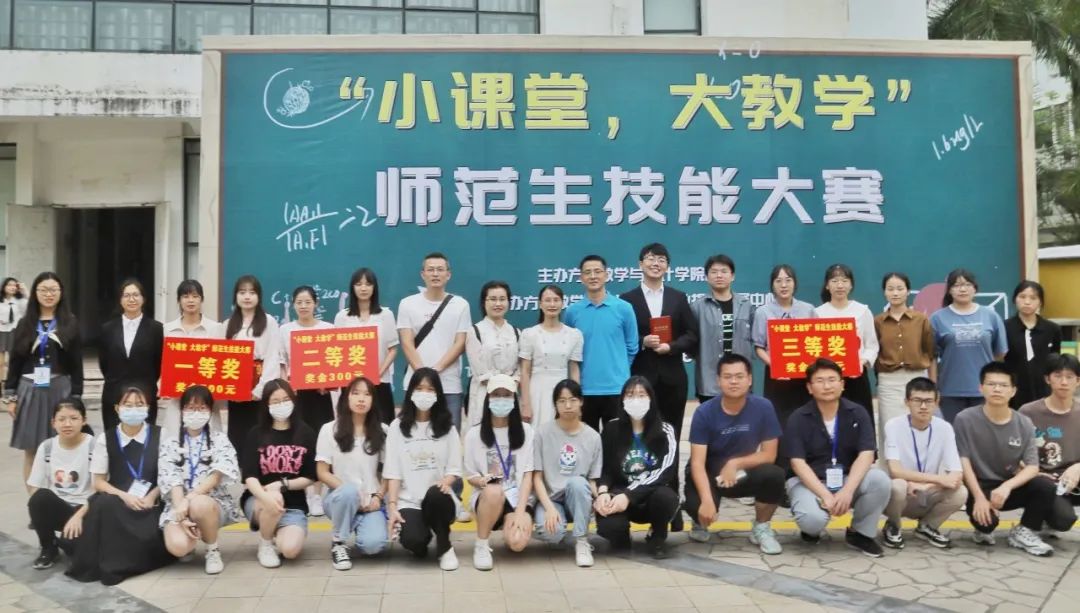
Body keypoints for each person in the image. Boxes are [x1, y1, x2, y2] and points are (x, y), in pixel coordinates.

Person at [955, 362, 1065, 556]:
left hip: (1008, 486)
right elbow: (963, 461)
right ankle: (981, 528)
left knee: (1044, 486)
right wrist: (979, 497)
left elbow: (1032, 466)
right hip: (980, 487)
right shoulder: (965, 419)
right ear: (981, 388)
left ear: (1013, 391)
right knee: (987, 525)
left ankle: (1025, 530)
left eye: (1003, 385)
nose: (997, 389)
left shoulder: (1024, 423)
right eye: (991, 384)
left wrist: (1006, 487)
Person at [67, 386, 173, 585]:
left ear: (148, 408)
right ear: (117, 408)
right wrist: (124, 496)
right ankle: (110, 566)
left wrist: (151, 496)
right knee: (104, 504)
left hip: (151, 504)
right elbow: (98, 482)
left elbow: (170, 475)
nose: (134, 409)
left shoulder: (161, 435)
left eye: (139, 405)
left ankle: (125, 563)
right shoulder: (106, 439)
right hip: (119, 502)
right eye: (128, 405)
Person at [785, 358, 890, 558]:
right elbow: (797, 463)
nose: (827, 386)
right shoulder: (798, 418)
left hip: (846, 478)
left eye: (832, 380)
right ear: (809, 387)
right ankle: (810, 531)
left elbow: (866, 453)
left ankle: (860, 533)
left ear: (842, 384)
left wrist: (847, 490)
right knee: (812, 520)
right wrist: (825, 494)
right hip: (809, 482)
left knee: (880, 480)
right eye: (820, 381)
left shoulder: (857, 412)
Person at [684, 354, 785, 554]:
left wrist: (735, 464)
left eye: (739, 376)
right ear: (718, 380)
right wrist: (706, 501)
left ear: (750, 379)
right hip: (709, 471)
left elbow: (769, 455)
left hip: (742, 472)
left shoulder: (764, 407)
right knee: (698, 506)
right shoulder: (704, 412)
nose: (733, 382)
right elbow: (697, 463)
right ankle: (698, 521)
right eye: (727, 376)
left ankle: (761, 526)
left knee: (774, 474)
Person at [4, 272, 83, 491]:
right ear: (35, 293)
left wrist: (77, 395)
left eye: (53, 290)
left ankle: (60, 499)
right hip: (29, 390)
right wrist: (10, 396)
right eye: (44, 290)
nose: (49, 294)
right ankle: (35, 501)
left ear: (61, 293)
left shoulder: (70, 323)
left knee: (61, 447)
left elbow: (76, 363)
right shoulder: (25, 324)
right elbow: (15, 362)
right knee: (32, 450)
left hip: (60, 390)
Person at [385, 368, 463, 571]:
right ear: (410, 391)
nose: (424, 394)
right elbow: (393, 471)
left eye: (430, 389)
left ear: (438, 394)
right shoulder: (397, 427)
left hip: (439, 499)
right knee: (414, 541)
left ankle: (445, 546)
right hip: (409, 501)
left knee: (435, 494)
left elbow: (454, 469)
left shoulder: (448, 428)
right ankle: (424, 534)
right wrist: (392, 506)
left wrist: (446, 481)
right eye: (419, 388)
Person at [158, 385, 242, 574]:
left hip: (211, 503)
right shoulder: (170, 443)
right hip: (179, 504)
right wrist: (181, 510)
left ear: (210, 411)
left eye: (202, 408)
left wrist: (189, 500)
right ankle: (190, 540)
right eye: (191, 408)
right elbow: (172, 480)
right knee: (178, 547)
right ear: (182, 411)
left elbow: (216, 476)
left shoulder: (220, 440)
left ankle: (212, 550)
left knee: (200, 504)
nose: (196, 413)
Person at [595, 376, 679, 559]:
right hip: (619, 495)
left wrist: (629, 495)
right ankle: (622, 537)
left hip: (651, 495)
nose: (636, 400)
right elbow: (605, 468)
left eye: (642, 395)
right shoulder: (612, 428)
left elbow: (664, 472)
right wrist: (602, 492)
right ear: (622, 399)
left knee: (665, 498)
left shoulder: (665, 431)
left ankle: (657, 536)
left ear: (651, 399)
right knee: (610, 527)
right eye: (630, 395)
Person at [880, 377, 966, 549]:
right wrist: (939, 479)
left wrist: (926, 486)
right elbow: (895, 471)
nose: (923, 406)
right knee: (897, 485)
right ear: (907, 402)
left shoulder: (945, 428)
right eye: (917, 400)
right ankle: (893, 525)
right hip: (903, 494)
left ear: (937, 402)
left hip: (927, 491)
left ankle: (928, 526)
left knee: (960, 492)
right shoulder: (894, 425)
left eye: (929, 401)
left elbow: (956, 472)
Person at [241, 379, 317, 568]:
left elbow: (311, 476)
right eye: (275, 401)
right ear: (266, 404)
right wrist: (265, 496)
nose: (281, 405)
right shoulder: (256, 433)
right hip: (259, 501)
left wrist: (283, 484)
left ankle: (275, 531)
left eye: (285, 399)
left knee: (290, 551)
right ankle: (265, 544)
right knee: (274, 499)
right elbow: (249, 476)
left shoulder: (306, 433)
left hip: (294, 505)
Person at [317, 376, 389, 571]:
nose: (361, 399)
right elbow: (322, 472)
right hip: (339, 497)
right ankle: (338, 542)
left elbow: (389, 472)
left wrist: (378, 497)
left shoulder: (382, 430)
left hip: (371, 500)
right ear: (346, 397)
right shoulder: (329, 429)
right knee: (348, 493)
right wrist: (355, 495)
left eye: (367, 394)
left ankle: (356, 524)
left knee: (374, 546)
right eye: (355, 393)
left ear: (373, 400)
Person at [463, 374, 535, 570]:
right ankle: (482, 544)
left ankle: (508, 523)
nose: (501, 399)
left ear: (514, 399)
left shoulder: (527, 431)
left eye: (507, 395)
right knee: (494, 491)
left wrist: (520, 512)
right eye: (496, 395)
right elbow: (470, 476)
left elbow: (528, 475)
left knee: (517, 543)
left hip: (518, 498)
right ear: (488, 399)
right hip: (488, 497)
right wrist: (481, 481)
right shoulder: (474, 435)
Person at [397, 253, 471, 430]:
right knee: (412, 435)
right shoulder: (407, 304)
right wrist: (422, 375)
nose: (435, 274)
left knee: (450, 436)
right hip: (415, 384)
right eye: (430, 270)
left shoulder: (461, 305)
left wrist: (435, 371)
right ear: (423, 274)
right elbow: (406, 342)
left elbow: (460, 343)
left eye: (440, 269)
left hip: (449, 386)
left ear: (448, 274)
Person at [533, 379, 602, 567]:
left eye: (572, 400)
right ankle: (558, 527)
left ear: (581, 401)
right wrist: (549, 508)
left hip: (577, 495)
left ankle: (582, 541)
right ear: (555, 404)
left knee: (577, 483)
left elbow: (592, 480)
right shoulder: (542, 433)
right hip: (551, 498)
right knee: (552, 534)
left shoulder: (593, 437)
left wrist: (598, 500)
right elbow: (537, 477)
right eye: (562, 401)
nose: (568, 406)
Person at [564, 255, 638, 432]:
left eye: (597, 271)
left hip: (616, 388)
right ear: (581, 278)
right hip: (584, 390)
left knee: (617, 441)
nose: (593, 276)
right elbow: (568, 350)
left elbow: (632, 347)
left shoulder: (624, 308)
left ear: (606, 275)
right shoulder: (572, 312)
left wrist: (618, 368)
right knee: (585, 441)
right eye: (587, 272)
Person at [279, 286, 335, 515]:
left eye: (307, 302)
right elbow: (282, 363)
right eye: (299, 302)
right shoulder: (286, 330)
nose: (303, 306)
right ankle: (303, 492)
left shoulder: (328, 329)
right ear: (293, 305)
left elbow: (334, 362)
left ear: (316, 304)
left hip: (321, 395)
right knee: (298, 441)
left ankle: (317, 495)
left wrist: (327, 382)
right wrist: (287, 388)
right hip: (296, 395)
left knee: (321, 442)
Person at [930, 269, 1007, 422]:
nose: (963, 289)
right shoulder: (937, 318)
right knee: (954, 432)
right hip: (950, 391)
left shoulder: (990, 316)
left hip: (984, 390)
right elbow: (931, 356)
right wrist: (933, 387)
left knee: (983, 432)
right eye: (957, 285)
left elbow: (1000, 353)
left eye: (967, 284)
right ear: (949, 290)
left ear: (975, 288)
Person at [27, 398, 93, 569]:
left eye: (74, 418)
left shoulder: (94, 446)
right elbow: (34, 485)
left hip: (86, 509)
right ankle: (48, 547)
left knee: (75, 550)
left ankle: (67, 540)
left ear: (84, 420)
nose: (67, 424)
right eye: (61, 419)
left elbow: (100, 488)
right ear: (53, 423)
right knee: (39, 497)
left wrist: (78, 516)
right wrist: (39, 512)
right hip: (59, 507)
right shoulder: (47, 447)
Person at [1018, 353, 1080, 536]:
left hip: (1074, 476)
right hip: (1042, 479)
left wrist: (1078, 467)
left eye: (1069, 377)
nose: (1064, 382)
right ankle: (1044, 512)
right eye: (1058, 376)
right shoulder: (1028, 412)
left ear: (1078, 381)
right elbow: (1013, 452)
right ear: (1047, 379)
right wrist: (1032, 473)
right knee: (1062, 520)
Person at [874, 272, 935, 455]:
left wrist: (933, 385)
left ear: (908, 291)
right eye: (890, 289)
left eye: (900, 288)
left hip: (917, 378)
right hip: (889, 380)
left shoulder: (921, 319)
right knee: (890, 427)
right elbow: (874, 351)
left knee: (919, 423)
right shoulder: (878, 321)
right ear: (884, 292)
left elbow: (930, 353)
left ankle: (919, 466)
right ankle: (891, 468)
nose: (895, 293)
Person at [225, 275, 282, 470]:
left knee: (260, 431)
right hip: (235, 387)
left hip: (259, 386)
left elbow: (273, 356)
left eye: (252, 292)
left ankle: (260, 474)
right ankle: (241, 474)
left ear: (259, 296)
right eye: (242, 292)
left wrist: (260, 389)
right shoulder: (228, 324)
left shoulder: (269, 322)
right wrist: (231, 389)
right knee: (237, 432)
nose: (247, 297)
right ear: (236, 296)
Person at [752, 264, 817, 427]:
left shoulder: (808, 310)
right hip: (775, 375)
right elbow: (758, 347)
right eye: (778, 281)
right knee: (778, 420)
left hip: (803, 375)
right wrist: (776, 366)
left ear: (795, 283)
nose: (783, 285)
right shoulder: (763, 312)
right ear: (772, 285)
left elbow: (817, 342)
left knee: (805, 420)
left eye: (788, 280)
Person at [816, 264, 878, 429]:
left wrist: (862, 361)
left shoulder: (862, 311)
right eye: (834, 281)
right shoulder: (817, 313)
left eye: (844, 281)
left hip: (856, 376)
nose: (840, 285)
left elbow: (872, 345)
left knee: (859, 422)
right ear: (827, 285)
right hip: (828, 379)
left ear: (851, 285)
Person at [334, 267, 399, 424]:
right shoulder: (342, 317)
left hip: (379, 381)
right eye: (359, 284)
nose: (363, 288)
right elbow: (337, 350)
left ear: (374, 287)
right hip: (350, 384)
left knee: (382, 426)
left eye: (368, 284)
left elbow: (393, 349)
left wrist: (378, 373)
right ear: (352, 288)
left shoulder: (385, 315)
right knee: (350, 427)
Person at [98, 279, 164, 432]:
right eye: (126, 295)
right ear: (120, 300)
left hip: (145, 395)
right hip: (113, 395)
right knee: (114, 439)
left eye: (136, 295)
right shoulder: (107, 329)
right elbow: (104, 363)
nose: (131, 299)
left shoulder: (156, 329)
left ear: (143, 299)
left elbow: (158, 363)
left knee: (145, 439)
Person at [162, 280, 224, 436]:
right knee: (175, 441)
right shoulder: (167, 330)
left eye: (195, 296)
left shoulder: (216, 329)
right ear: (179, 300)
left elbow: (222, 363)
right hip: (177, 400)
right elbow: (161, 363)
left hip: (206, 400)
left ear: (201, 300)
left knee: (209, 441)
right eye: (185, 296)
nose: (190, 300)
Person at [690, 254, 755, 404]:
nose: (719, 275)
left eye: (724, 271)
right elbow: (690, 343)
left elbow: (756, 338)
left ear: (732, 276)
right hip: (709, 380)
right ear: (706, 277)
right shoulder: (697, 307)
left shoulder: (746, 305)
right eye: (714, 272)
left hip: (740, 378)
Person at [518, 284, 583, 427]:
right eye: (547, 300)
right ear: (540, 304)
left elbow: (574, 370)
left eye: (556, 300)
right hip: (537, 391)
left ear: (562, 303)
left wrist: (576, 400)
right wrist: (526, 404)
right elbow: (525, 371)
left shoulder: (574, 335)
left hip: (563, 390)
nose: (552, 304)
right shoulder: (530, 334)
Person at [465, 281, 520, 429]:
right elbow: (480, 371)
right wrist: (500, 387)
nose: (498, 304)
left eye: (502, 299)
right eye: (493, 299)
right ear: (484, 302)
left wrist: (510, 386)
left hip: (510, 395)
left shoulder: (516, 332)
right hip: (484, 393)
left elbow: (519, 369)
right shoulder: (475, 331)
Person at [1005, 281, 1063, 408]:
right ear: (1014, 299)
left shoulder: (1052, 329)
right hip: (1013, 391)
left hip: (1044, 390)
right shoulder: (1004, 327)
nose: (1027, 302)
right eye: (1022, 297)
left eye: (1033, 298)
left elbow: (1055, 361)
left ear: (1040, 302)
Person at [0, 277, 27, 386]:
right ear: (3, 287)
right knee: (1, 361)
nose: (12, 287)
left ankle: (12, 384)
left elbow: (31, 307)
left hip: (15, 331)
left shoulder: (20, 301)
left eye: (14, 285)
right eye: (9, 285)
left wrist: (25, 291)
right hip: (1, 331)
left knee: (13, 359)